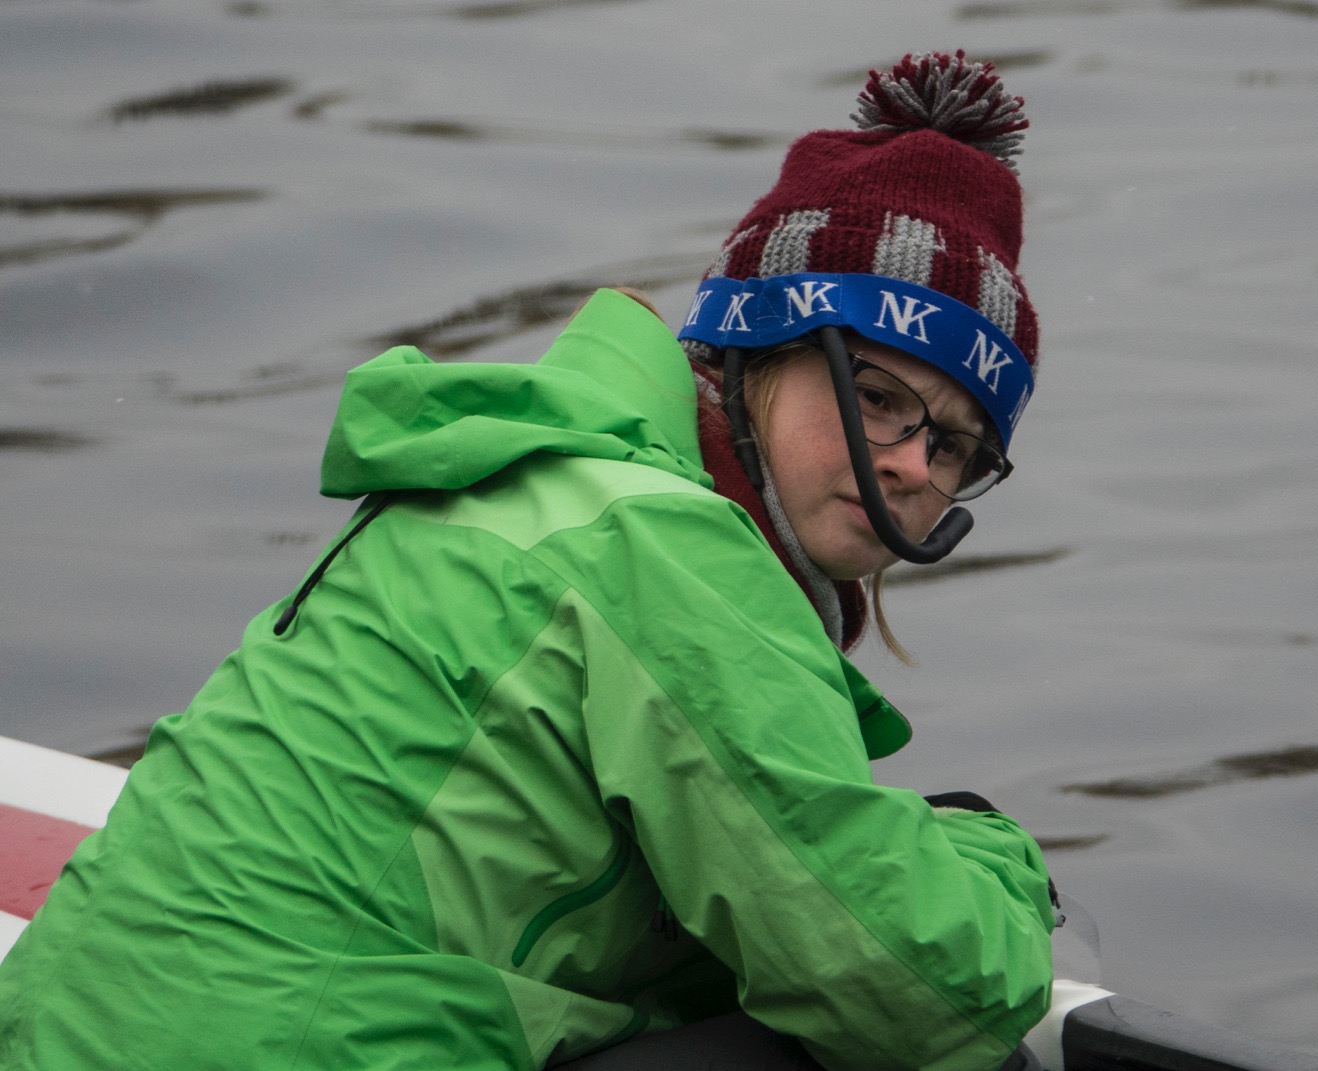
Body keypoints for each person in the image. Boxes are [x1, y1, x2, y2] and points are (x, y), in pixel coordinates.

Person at [0, 52, 1055, 1070]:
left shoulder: (532, 476)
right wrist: (999, 859)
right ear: (756, 352)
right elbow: (915, 996)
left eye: (956, 445)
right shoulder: (669, 551)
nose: (913, 465)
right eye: (879, 399)